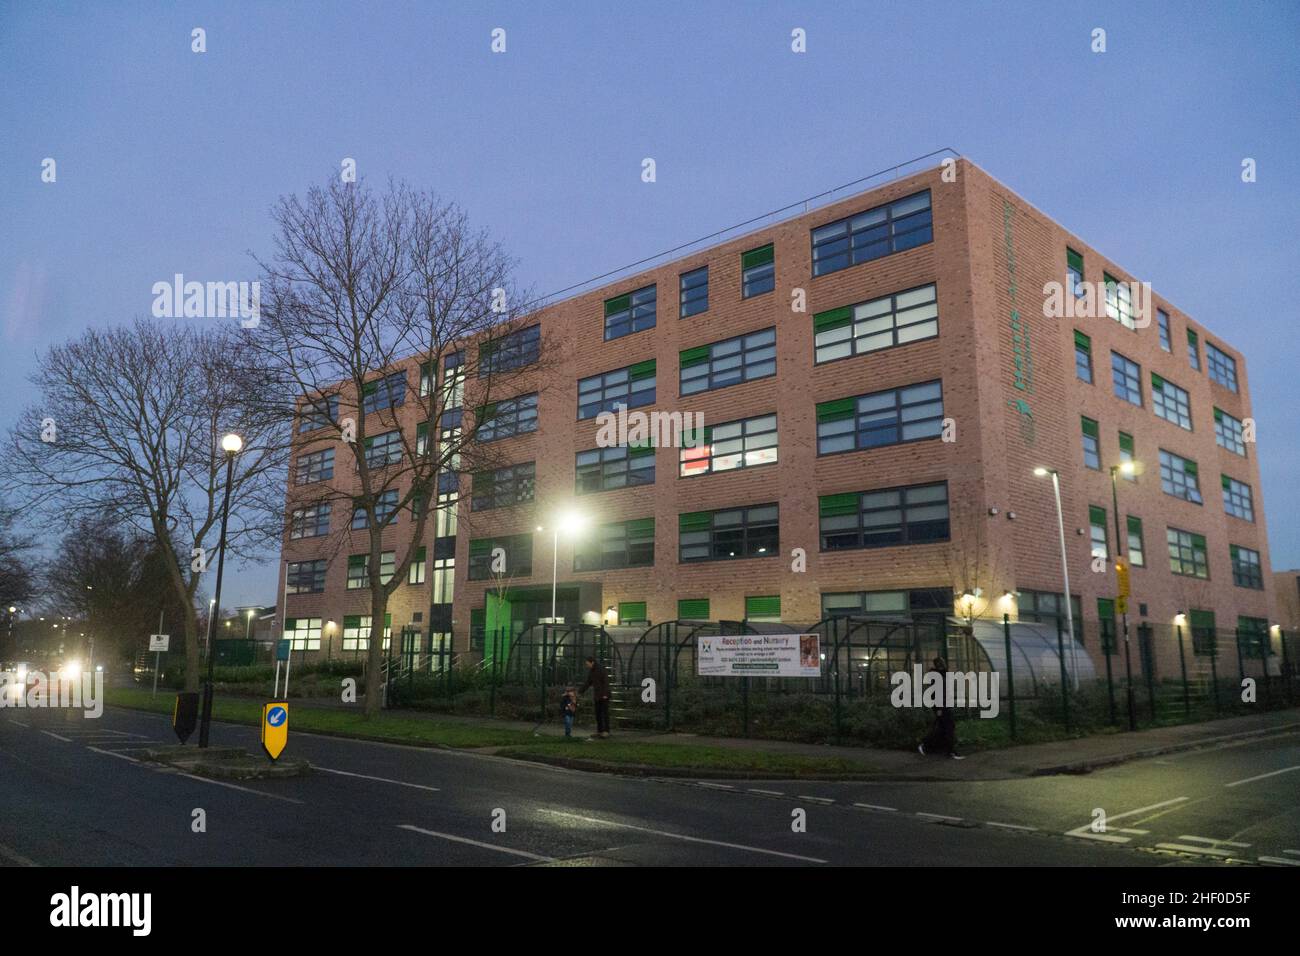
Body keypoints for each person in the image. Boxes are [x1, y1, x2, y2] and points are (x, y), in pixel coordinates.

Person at [918, 655, 963, 759]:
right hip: (941, 705)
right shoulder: (937, 676)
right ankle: (949, 751)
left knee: (944, 728)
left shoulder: (942, 675)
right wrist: (938, 708)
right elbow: (936, 693)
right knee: (948, 727)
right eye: (942, 662)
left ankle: (927, 746)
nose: (944, 664)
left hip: (944, 704)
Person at [579, 655, 611, 738]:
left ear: (592, 662)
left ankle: (606, 731)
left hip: (603, 695)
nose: (587, 665)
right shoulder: (592, 671)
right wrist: (580, 691)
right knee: (598, 714)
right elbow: (588, 682)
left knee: (604, 714)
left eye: (587, 664)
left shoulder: (601, 670)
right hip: (597, 695)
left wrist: (605, 694)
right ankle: (600, 731)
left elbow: (606, 682)